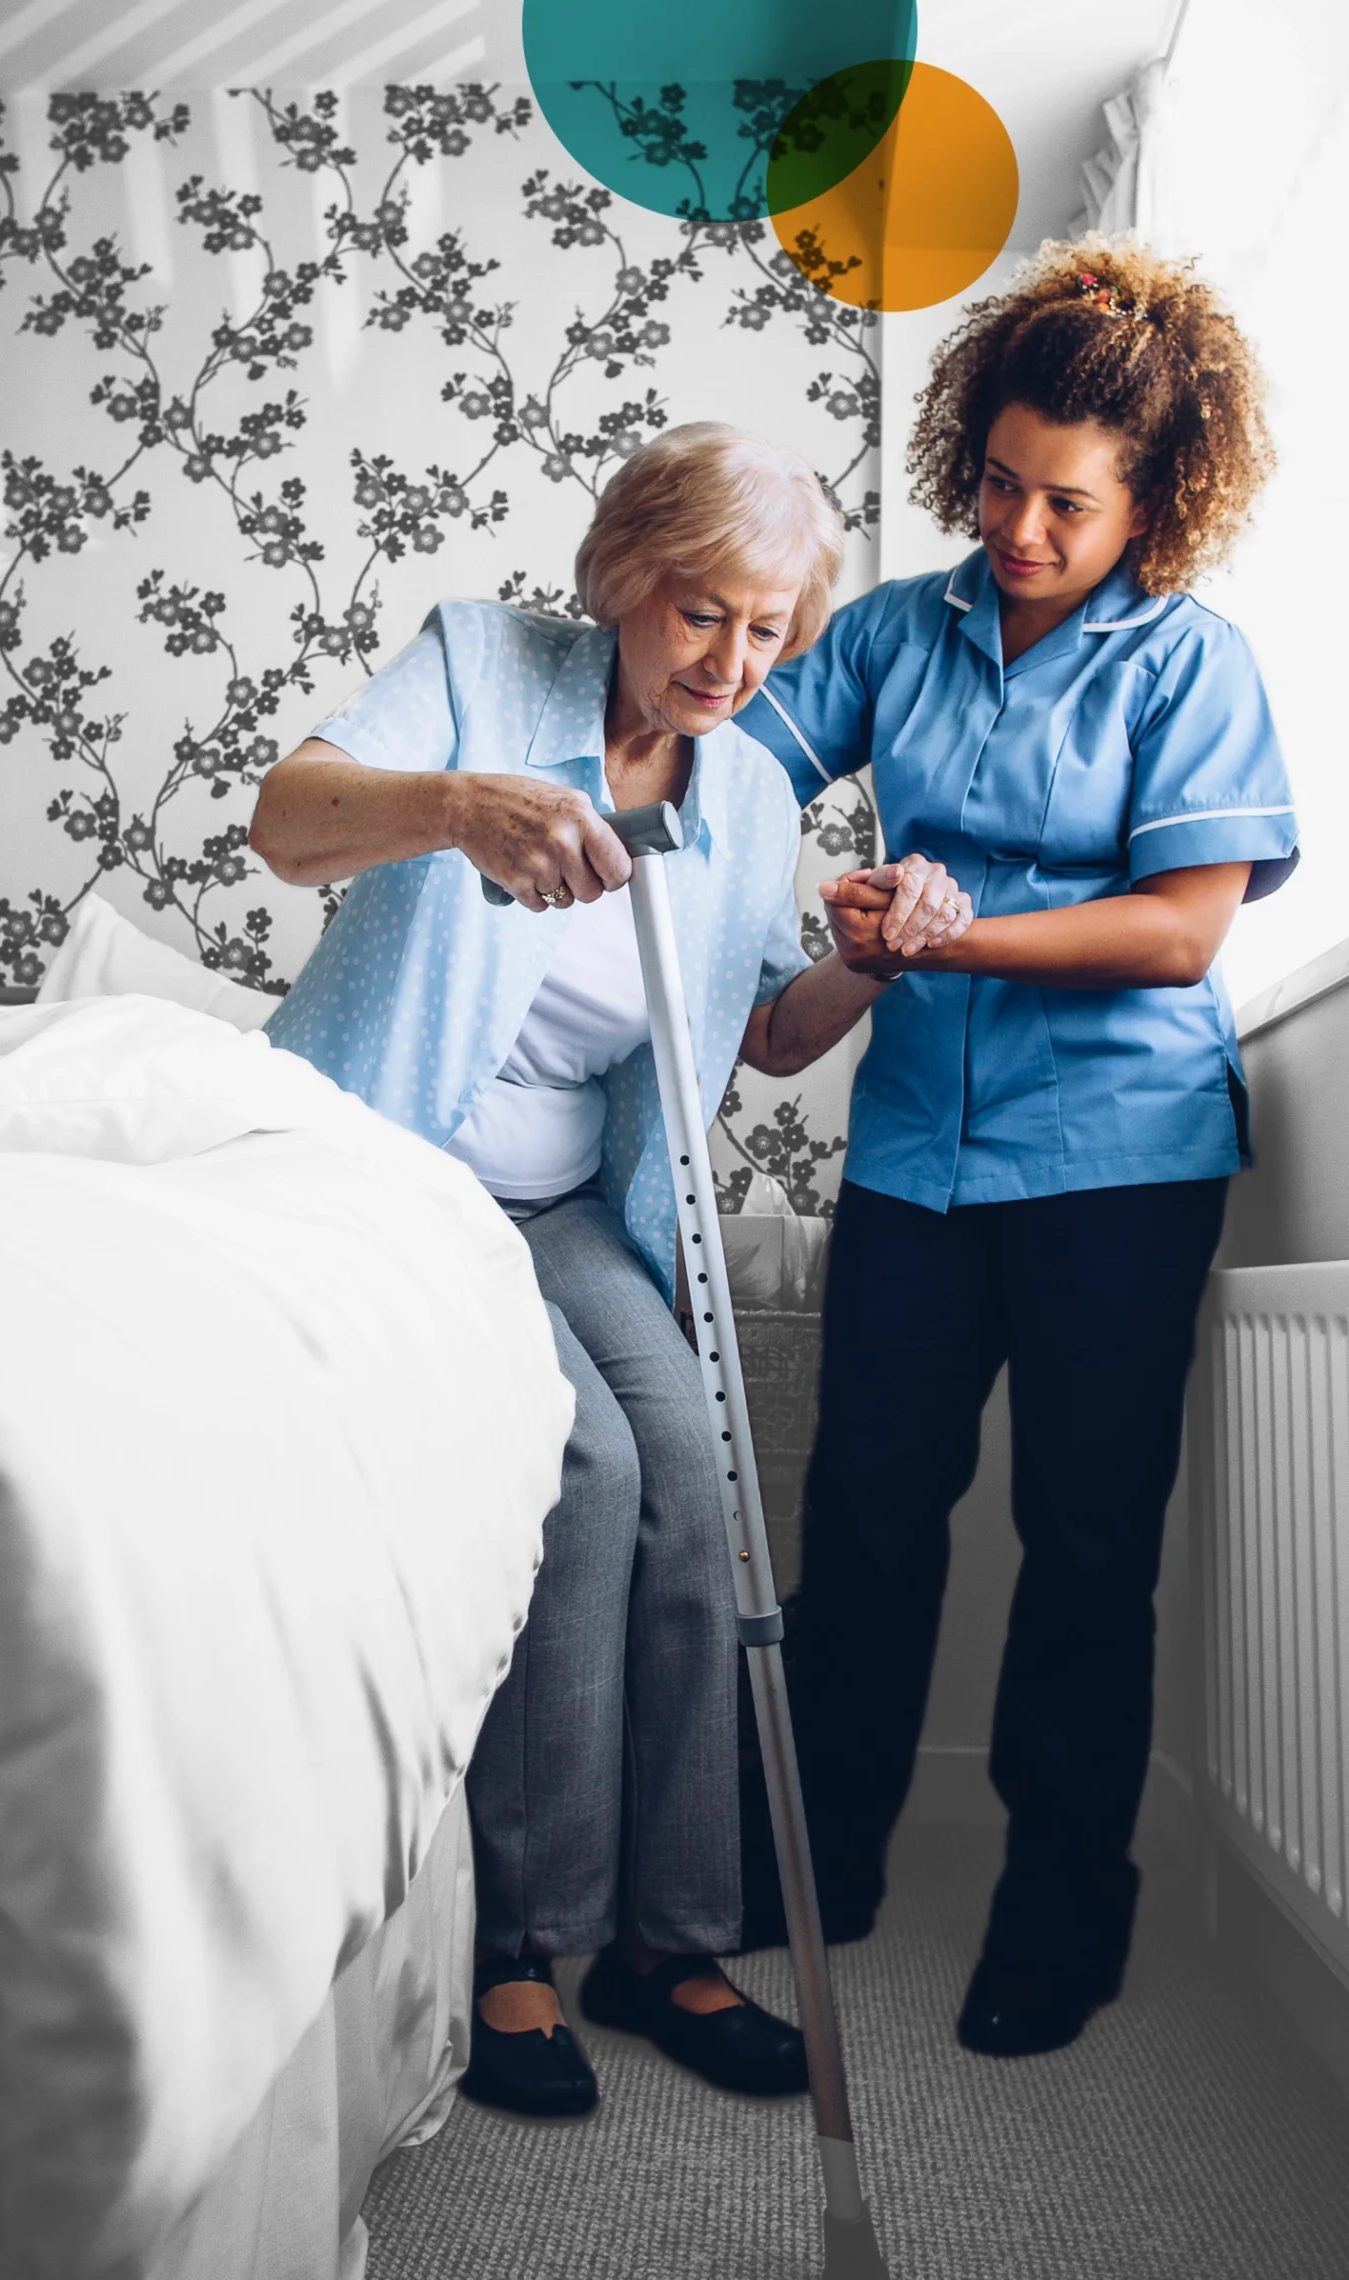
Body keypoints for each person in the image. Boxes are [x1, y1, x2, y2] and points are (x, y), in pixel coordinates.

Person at [250, 422, 968, 2118]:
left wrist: (864, 964)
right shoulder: (479, 666)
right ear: (624, 581)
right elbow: (289, 824)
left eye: (767, 631)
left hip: (574, 1201)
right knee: (580, 1463)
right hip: (394, 1168)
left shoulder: (751, 796)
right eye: (699, 613)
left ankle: (670, 1937)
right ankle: (524, 1939)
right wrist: (454, 807)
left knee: (701, 1478)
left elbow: (765, 1037)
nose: (729, 661)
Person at [737, 237, 1296, 2058]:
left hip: (1123, 1157)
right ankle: (822, 1867)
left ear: (1152, 498)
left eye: (1066, 500)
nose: (1023, 528)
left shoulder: (1190, 662)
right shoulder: (896, 630)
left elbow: (1177, 931)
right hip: (915, 1153)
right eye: (997, 481)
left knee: (1081, 1535)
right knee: (870, 1511)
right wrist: (817, 898)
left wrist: (940, 938)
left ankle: (1062, 1916)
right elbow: (736, 770)